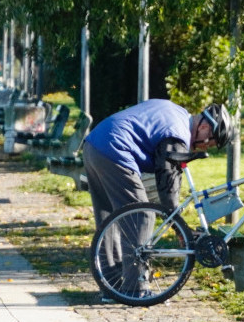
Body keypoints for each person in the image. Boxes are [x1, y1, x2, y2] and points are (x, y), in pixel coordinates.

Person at [82, 99, 232, 298]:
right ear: (204, 127)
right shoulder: (177, 135)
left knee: (110, 219)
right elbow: (167, 186)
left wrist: (176, 224)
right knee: (142, 216)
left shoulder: (177, 113)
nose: (204, 148)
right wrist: (179, 228)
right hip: (115, 150)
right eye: (209, 142)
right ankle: (135, 289)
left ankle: (111, 287)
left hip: (94, 145)